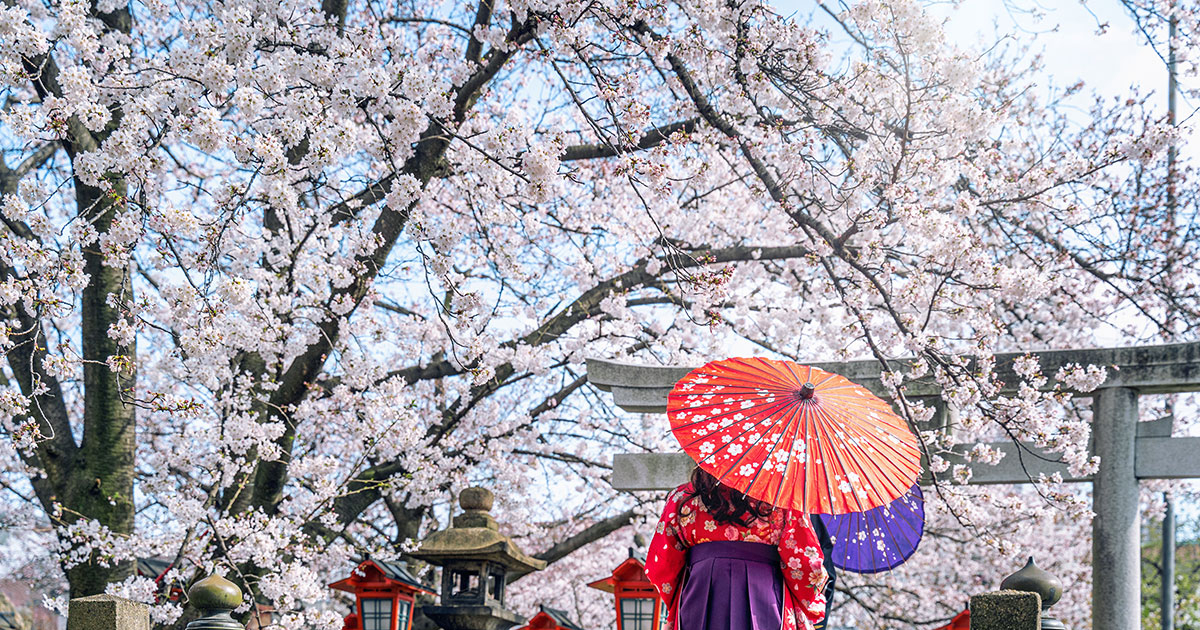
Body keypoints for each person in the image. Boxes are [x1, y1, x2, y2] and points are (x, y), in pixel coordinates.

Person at [646, 468, 828, 630]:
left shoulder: (683, 497)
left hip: (699, 594)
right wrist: (813, 601)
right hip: (766, 595)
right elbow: (805, 564)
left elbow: (662, 564)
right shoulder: (780, 496)